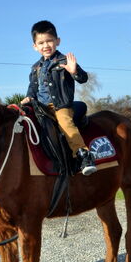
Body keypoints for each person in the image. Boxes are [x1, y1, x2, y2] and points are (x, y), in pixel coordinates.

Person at [21, 20, 97, 176]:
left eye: (49, 40)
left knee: (65, 124)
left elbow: (83, 78)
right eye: (41, 42)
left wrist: (74, 71)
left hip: (60, 106)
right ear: (35, 46)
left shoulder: (64, 61)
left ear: (57, 41)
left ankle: (83, 155)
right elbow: (33, 87)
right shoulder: (35, 67)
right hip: (40, 107)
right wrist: (28, 97)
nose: (46, 45)